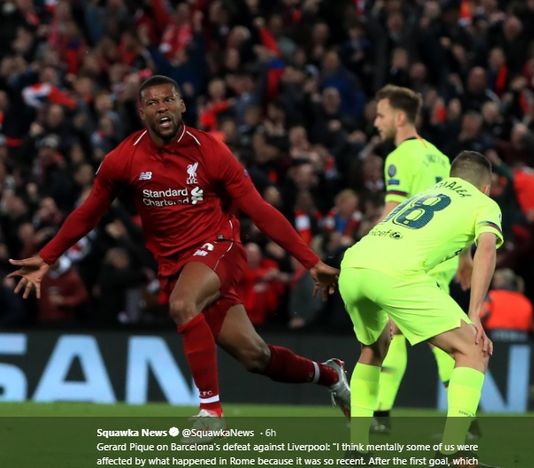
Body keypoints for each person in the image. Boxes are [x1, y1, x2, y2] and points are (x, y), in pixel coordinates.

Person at [6, 75, 349, 431]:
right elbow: (89, 212)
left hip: (221, 247)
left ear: (182, 105)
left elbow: (259, 209)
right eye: (152, 103)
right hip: (175, 266)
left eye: (168, 100)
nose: (162, 108)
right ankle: (331, 376)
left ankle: (211, 413)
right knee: (256, 357)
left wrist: (310, 261)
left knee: (183, 305)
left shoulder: (211, 151)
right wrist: (47, 257)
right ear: (141, 112)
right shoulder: (124, 158)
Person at [339, 151, 503, 463]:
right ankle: (454, 454)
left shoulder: (428, 191)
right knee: (474, 348)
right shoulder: (484, 203)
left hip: (354, 264)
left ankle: (357, 449)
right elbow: (485, 248)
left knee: (372, 351)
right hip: (394, 273)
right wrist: (474, 314)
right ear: (486, 187)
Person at [369, 84, 468, 433]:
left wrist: (365, 250)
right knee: (437, 331)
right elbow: (459, 209)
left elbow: (392, 210)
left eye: (380, 115)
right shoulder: (440, 156)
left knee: (392, 332)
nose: (376, 123)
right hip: (443, 256)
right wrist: (466, 257)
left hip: (411, 257)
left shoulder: (398, 158)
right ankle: (463, 418)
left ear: (399, 118)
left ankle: (380, 415)